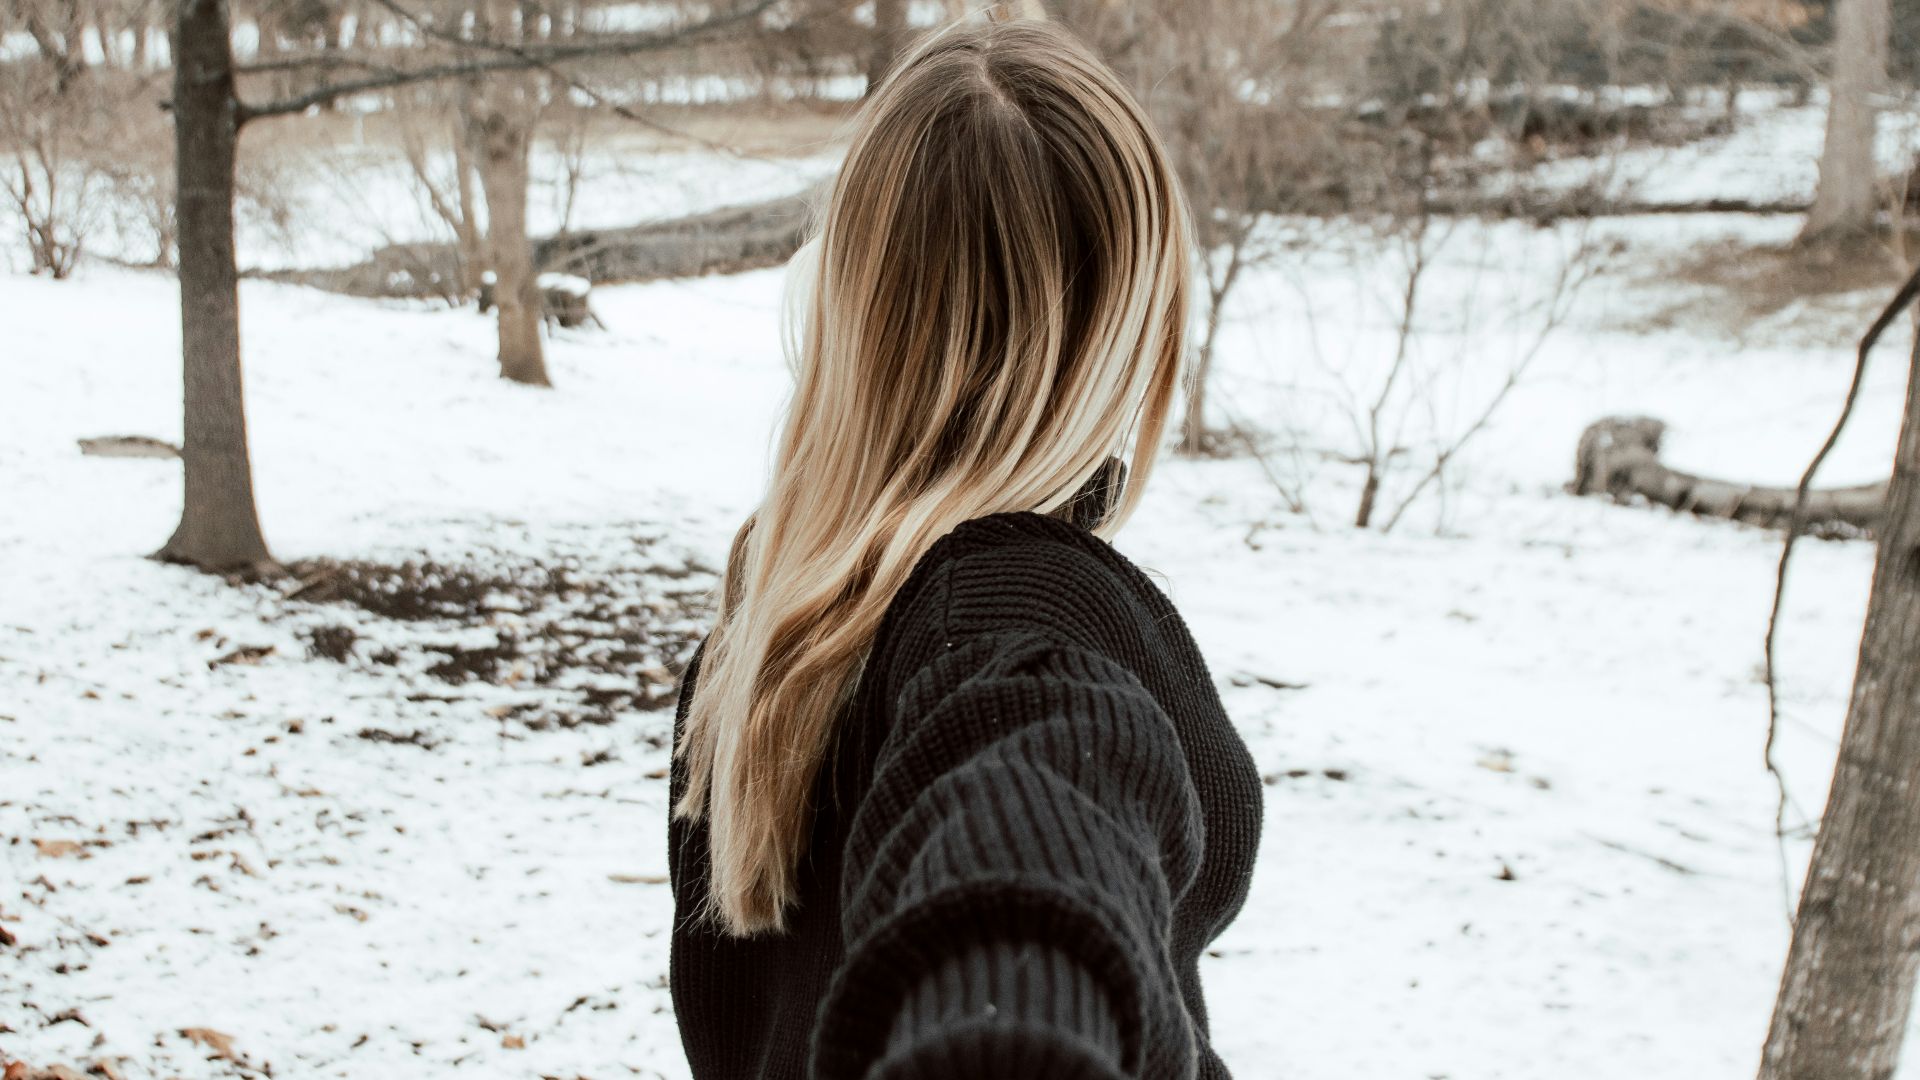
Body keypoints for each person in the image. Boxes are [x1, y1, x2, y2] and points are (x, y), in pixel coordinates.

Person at [667, 16, 1264, 1080]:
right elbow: (1031, 850)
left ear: (858, 293)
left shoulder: (775, 623)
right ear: (1123, 329)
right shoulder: (1017, 620)